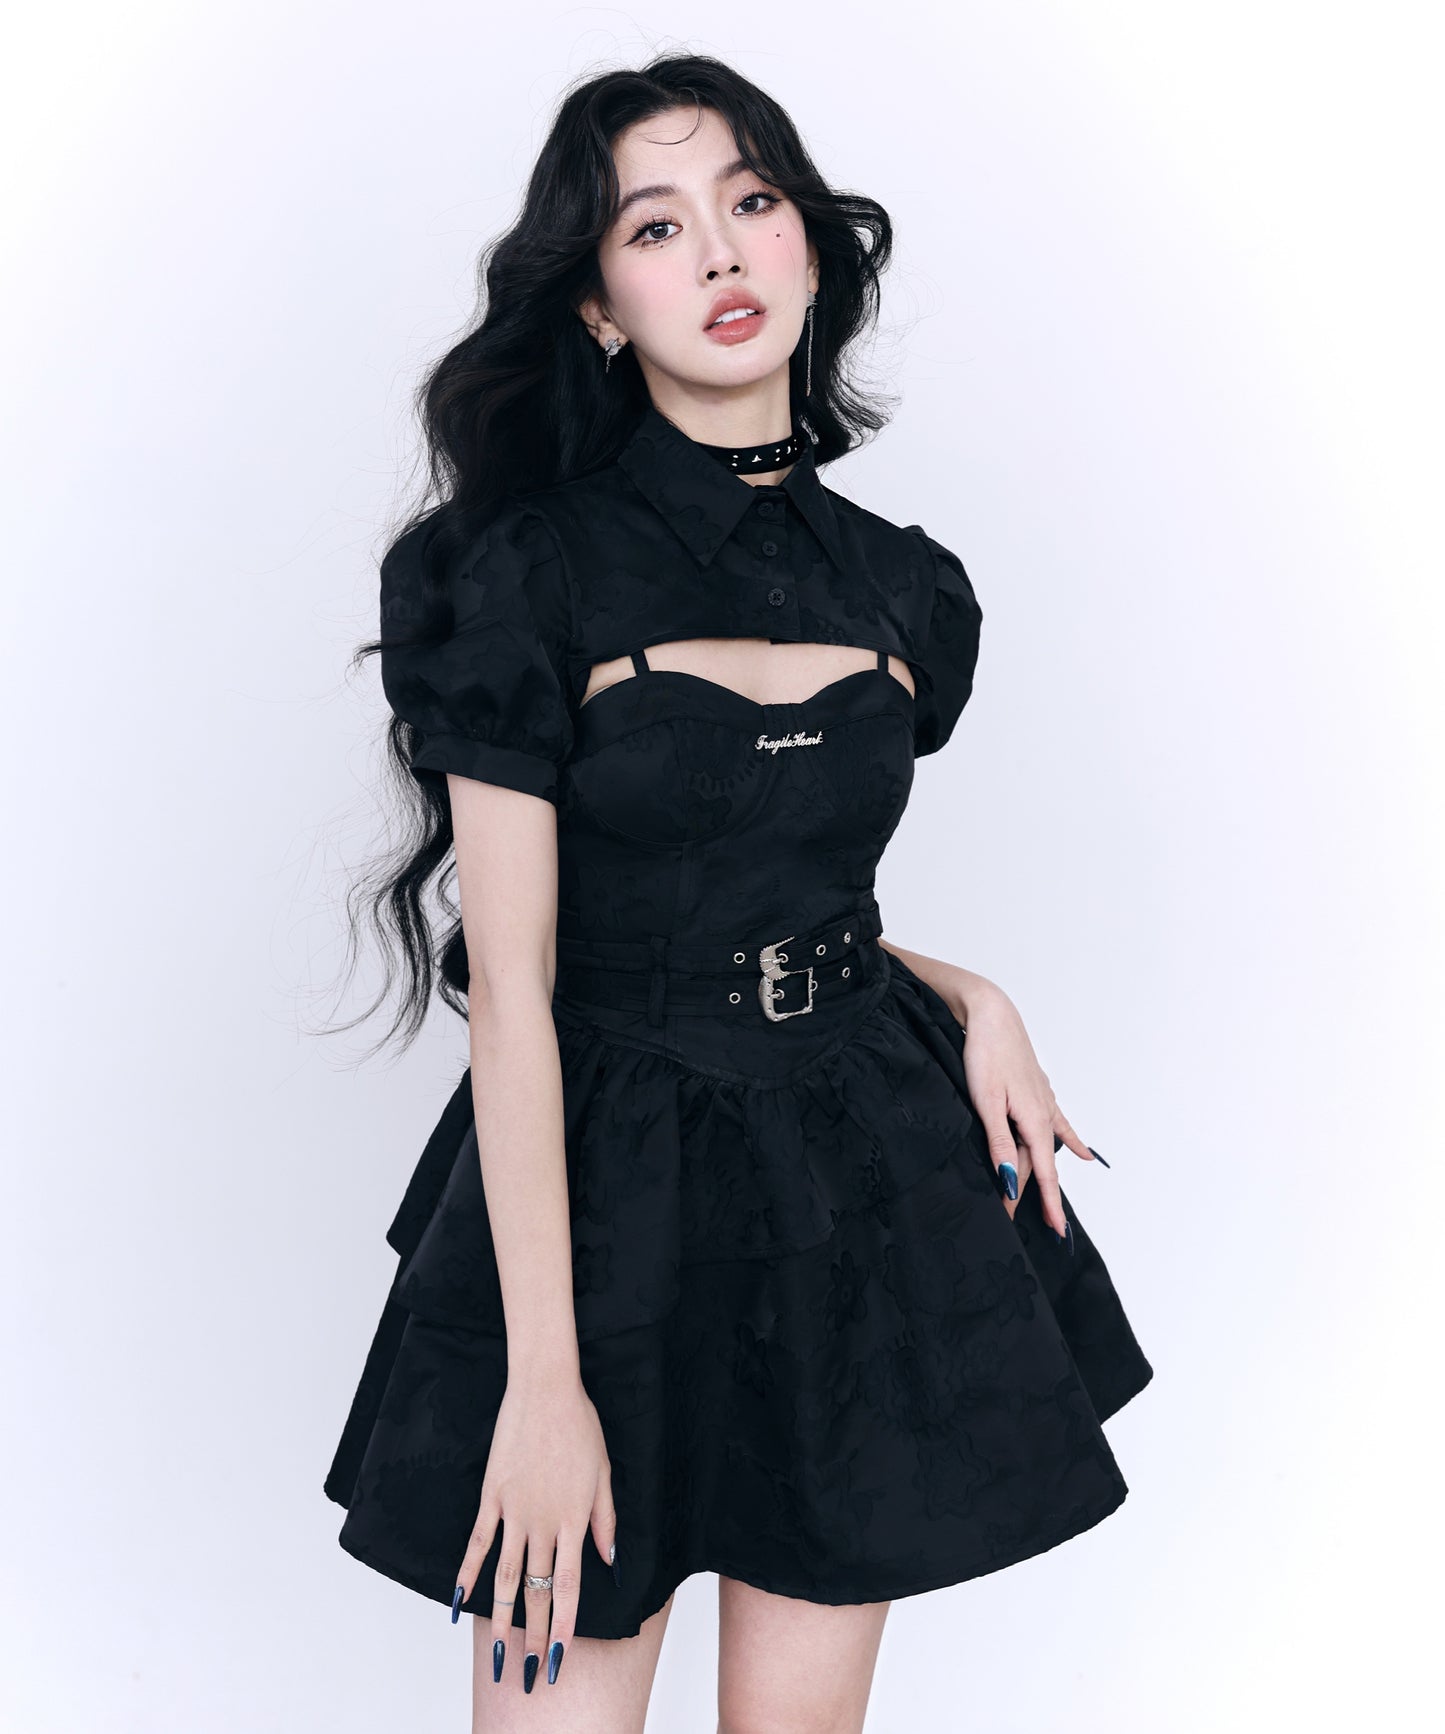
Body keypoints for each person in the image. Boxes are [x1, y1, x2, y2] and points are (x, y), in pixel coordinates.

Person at [323, 51, 1153, 1731]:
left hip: (853, 1182)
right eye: (655, 224)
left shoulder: (905, 589)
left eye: (751, 200)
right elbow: (517, 985)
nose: (717, 250)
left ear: (808, 248)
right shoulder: (522, 574)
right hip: (600, 1200)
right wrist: (543, 1386)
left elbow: (758, 878)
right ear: (598, 306)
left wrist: (963, 993)